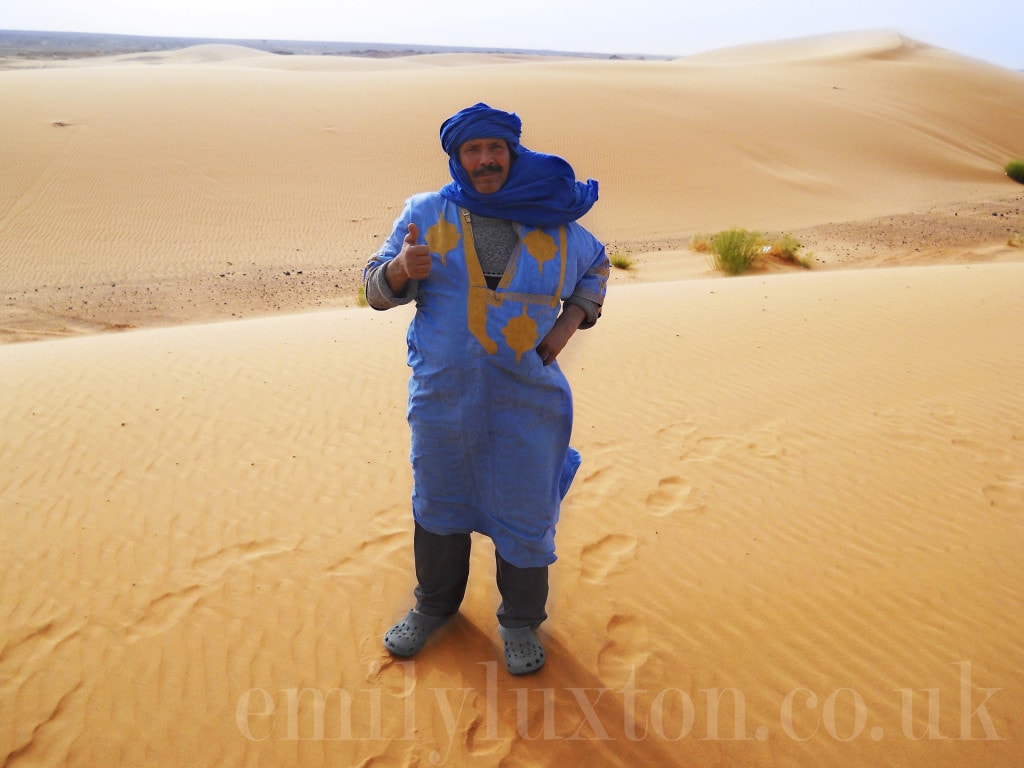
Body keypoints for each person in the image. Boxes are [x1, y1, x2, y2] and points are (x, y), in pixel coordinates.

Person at [363, 103, 608, 675]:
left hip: (526, 401)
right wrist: (401, 269)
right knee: (439, 503)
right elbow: (374, 291)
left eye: (495, 148)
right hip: (443, 401)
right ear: (456, 158)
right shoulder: (425, 213)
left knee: (524, 513)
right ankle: (433, 608)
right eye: (472, 150)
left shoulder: (553, 220)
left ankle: (520, 622)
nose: (485, 160)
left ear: (512, 152)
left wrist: (569, 324)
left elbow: (596, 267)